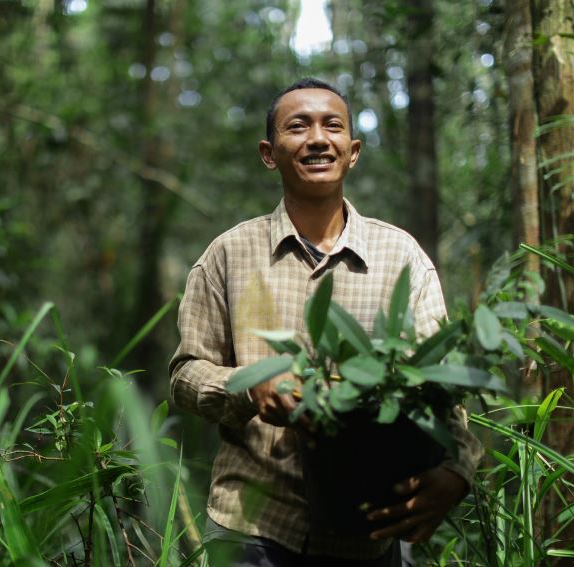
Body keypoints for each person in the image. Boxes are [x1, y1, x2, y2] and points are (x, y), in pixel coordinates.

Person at [169, 78, 483, 566]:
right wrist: (249, 385)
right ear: (269, 153)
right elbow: (186, 373)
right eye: (298, 126)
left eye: (331, 126)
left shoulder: (401, 257)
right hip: (252, 526)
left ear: (352, 151)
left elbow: (442, 387)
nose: (318, 138)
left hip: (369, 530)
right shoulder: (229, 254)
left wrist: (457, 471)